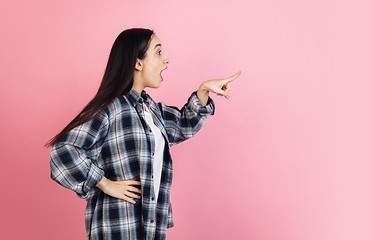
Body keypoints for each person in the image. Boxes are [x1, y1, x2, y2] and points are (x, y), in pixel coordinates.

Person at [47, 28, 240, 240]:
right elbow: (63, 150)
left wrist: (203, 90)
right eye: (158, 52)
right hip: (119, 226)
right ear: (138, 63)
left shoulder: (150, 108)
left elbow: (184, 125)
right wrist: (104, 183)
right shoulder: (111, 108)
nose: (166, 59)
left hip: (149, 226)